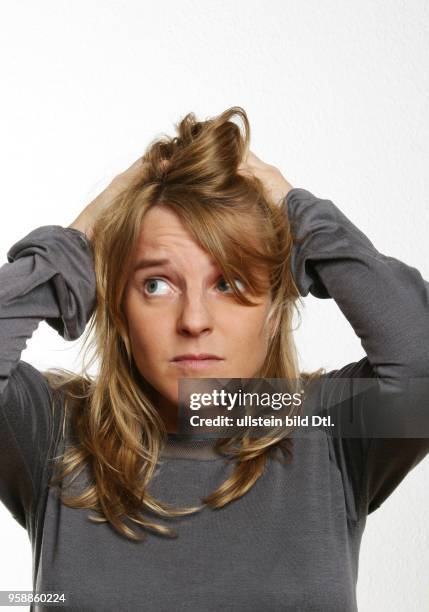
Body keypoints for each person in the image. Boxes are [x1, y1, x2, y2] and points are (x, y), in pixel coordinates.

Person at [0, 106, 428, 612]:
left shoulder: (326, 429)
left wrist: (297, 212)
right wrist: (83, 237)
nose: (194, 319)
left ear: (275, 308)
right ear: (117, 305)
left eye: (229, 282)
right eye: (156, 285)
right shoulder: (52, 434)